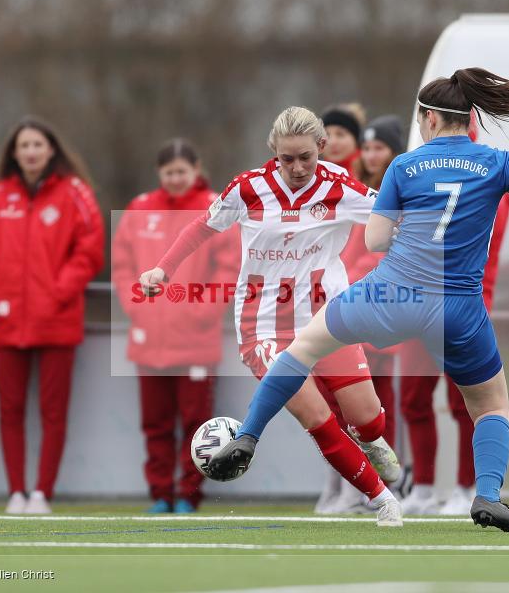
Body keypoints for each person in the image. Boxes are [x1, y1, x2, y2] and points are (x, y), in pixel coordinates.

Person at [206, 68, 509, 533]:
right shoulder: (497, 161)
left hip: (391, 295)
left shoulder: (404, 165)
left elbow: (377, 240)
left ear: (431, 119)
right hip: (459, 308)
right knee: (491, 406)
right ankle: (488, 495)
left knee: (300, 351)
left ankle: (248, 436)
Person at [140, 106, 403, 527]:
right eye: (286, 159)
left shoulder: (341, 186)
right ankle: (383, 499)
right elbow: (201, 228)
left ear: (322, 147)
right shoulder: (248, 189)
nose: (297, 168)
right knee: (317, 417)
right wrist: (163, 269)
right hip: (263, 327)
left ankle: (370, 440)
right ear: (273, 152)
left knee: (369, 418)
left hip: (327, 320)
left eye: (306, 157)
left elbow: (391, 220)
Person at [0, 116, 104, 514]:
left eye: (37, 145)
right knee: (9, 411)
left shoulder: (75, 193)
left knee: (53, 412)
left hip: (57, 321)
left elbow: (90, 251)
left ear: (51, 150)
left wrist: (58, 293)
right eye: (23, 146)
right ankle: (16, 492)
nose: (30, 152)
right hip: (8, 321)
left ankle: (42, 492)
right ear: (14, 153)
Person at [112, 139, 239, 513]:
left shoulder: (215, 208)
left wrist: (202, 312)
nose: (176, 179)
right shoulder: (139, 208)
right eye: (169, 173)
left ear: (197, 169)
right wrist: (137, 308)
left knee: (198, 424)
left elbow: (230, 268)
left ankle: (189, 492)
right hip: (149, 339)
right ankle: (160, 493)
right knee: (156, 423)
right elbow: (122, 267)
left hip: (196, 340)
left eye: (182, 171)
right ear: (159, 173)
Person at [399, 112, 509, 516]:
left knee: (468, 399)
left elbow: (484, 249)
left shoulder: (489, 172)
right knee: (412, 397)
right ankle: (424, 487)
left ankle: (467, 487)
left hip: (460, 303)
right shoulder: (415, 168)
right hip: (415, 301)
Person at [319, 115, 407, 514]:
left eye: (379, 148)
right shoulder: (350, 190)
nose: (372, 156)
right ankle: (347, 484)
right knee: (337, 404)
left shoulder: (395, 191)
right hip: (346, 308)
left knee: (377, 405)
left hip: (381, 310)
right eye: (367, 148)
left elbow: (381, 253)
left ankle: (387, 483)